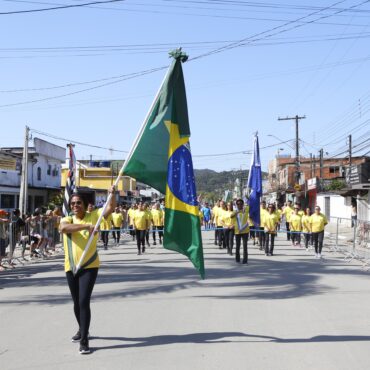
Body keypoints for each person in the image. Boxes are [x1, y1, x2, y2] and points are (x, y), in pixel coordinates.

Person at [59, 186, 116, 354]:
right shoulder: (67, 219)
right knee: (76, 302)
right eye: (73, 203)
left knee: (84, 301)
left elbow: (111, 207)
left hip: (89, 266)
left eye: (78, 203)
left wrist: (112, 194)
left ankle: (84, 340)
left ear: (84, 204)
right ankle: (82, 328)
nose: (75, 205)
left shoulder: (94, 216)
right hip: (71, 267)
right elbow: (63, 229)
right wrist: (86, 227)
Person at [231, 198, 250, 263]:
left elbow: (252, 205)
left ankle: (245, 260)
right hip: (237, 231)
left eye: (241, 204)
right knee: (237, 246)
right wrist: (237, 212)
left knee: (245, 246)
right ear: (236, 205)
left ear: (243, 204)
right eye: (238, 204)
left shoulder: (246, 209)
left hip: (245, 230)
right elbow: (231, 216)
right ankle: (237, 259)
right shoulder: (235, 211)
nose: (239, 205)